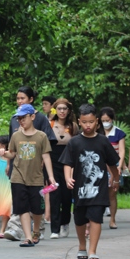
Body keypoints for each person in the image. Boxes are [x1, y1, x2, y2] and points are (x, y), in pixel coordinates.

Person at [60, 104, 120, 259]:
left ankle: (93, 251)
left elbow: (112, 163)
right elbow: (68, 163)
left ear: (97, 122)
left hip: (99, 188)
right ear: (79, 122)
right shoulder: (74, 142)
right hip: (80, 188)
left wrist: (116, 178)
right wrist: (67, 177)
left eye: (91, 122)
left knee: (96, 217)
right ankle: (82, 246)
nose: (88, 125)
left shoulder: (103, 141)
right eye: (85, 122)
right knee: (79, 219)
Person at [0, 105, 56, 246]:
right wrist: (4, 153)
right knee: (21, 207)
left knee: (37, 209)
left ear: (32, 117)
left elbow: (46, 157)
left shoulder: (41, 136)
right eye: (19, 118)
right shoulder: (16, 135)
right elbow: (12, 153)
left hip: (36, 177)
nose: (21, 121)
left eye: (23, 117)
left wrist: (51, 177)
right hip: (18, 176)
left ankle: (36, 231)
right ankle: (28, 237)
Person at [47, 98, 79, 239]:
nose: (62, 111)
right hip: (52, 163)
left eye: (64, 109)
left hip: (68, 163)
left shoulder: (74, 126)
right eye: (59, 108)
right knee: (54, 195)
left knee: (67, 196)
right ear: (55, 110)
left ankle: (65, 223)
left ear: (69, 111)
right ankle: (54, 228)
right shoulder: (49, 124)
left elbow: (77, 147)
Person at [99, 107, 126, 229]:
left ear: (112, 119)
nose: (105, 122)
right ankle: (96, 219)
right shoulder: (97, 132)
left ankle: (113, 219)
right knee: (98, 194)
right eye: (103, 120)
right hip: (99, 167)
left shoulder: (119, 133)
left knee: (112, 195)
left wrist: (119, 167)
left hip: (115, 167)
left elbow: (121, 151)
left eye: (107, 119)